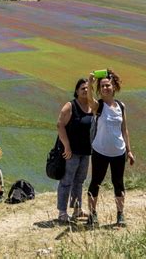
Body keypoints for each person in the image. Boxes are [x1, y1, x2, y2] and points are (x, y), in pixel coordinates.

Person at [86, 69, 135, 227]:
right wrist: (90, 82)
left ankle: (120, 215)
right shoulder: (98, 106)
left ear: (114, 87)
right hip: (100, 151)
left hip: (118, 152)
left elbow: (124, 129)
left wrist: (129, 151)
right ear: (99, 90)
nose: (106, 88)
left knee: (118, 183)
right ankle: (92, 215)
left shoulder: (121, 106)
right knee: (96, 182)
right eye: (102, 86)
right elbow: (89, 100)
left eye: (108, 85)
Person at [56, 78, 93, 223]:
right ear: (77, 91)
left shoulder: (91, 106)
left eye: (88, 88)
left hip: (85, 152)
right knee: (66, 181)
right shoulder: (70, 106)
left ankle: (77, 209)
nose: (85, 90)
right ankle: (62, 212)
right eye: (82, 88)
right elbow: (60, 125)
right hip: (71, 152)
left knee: (79, 181)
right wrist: (66, 146)